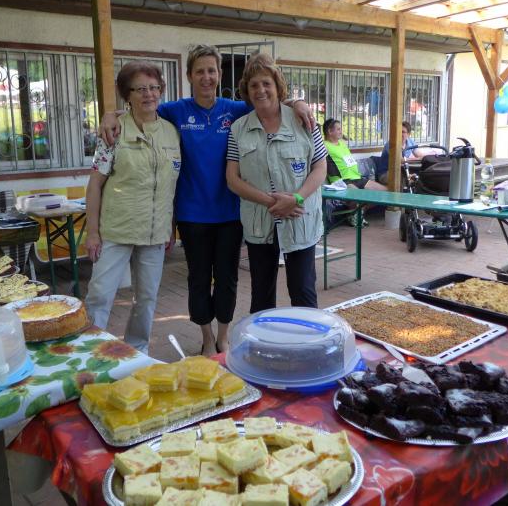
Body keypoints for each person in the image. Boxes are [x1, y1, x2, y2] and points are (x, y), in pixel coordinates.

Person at [97, 45, 314, 356]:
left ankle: (223, 336)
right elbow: (141, 107)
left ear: (220, 74)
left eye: (212, 70)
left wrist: (298, 102)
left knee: (227, 279)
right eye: (199, 71)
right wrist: (110, 114)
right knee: (198, 280)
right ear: (189, 75)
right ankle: (207, 338)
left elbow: (269, 100)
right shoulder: (175, 111)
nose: (206, 77)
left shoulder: (235, 110)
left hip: (230, 214)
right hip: (192, 215)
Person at [83, 61, 180, 354]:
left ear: (161, 91)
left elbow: (171, 186)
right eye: (140, 89)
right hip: (116, 230)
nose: (148, 94)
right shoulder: (113, 132)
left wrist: (171, 226)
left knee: (147, 298)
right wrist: (92, 233)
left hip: (155, 232)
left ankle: (138, 351)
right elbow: (94, 185)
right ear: (128, 95)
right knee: (100, 295)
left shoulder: (172, 132)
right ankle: (89, 353)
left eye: (154, 87)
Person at [226, 53, 327, 313]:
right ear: (247, 91)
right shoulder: (238, 129)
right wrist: (273, 202)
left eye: (266, 83)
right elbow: (232, 179)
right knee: (261, 295)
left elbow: (320, 168)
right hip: (260, 224)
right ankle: (263, 339)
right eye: (254, 85)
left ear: (277, 86)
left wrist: (296, 198)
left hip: (300, 220)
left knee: (303, 292)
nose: (260, 90)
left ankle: (308, 339)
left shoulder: (304, 121)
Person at [323, 118, 385, 226]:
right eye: (338, 129)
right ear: (329, 131)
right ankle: (356, 214)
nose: (341, 131)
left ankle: (357, 212)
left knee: (385, 192)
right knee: (359, 196)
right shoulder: (324, 146)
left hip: (356, 178)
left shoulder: (342, 144)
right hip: (342, 181)